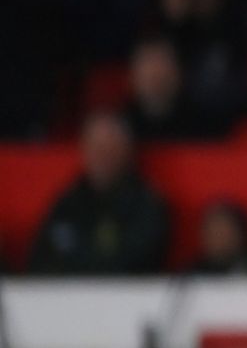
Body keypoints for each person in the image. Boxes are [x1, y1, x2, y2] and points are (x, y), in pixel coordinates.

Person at [29, 111, 170, 275]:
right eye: (96, 147)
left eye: (111, 148)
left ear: (127, 151)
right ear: (83, 150)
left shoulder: (147, 203)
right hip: (69, 296)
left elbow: (139, 260)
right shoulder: (68, 203)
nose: (103, 156)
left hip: (129, 297)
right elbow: (42, 258)